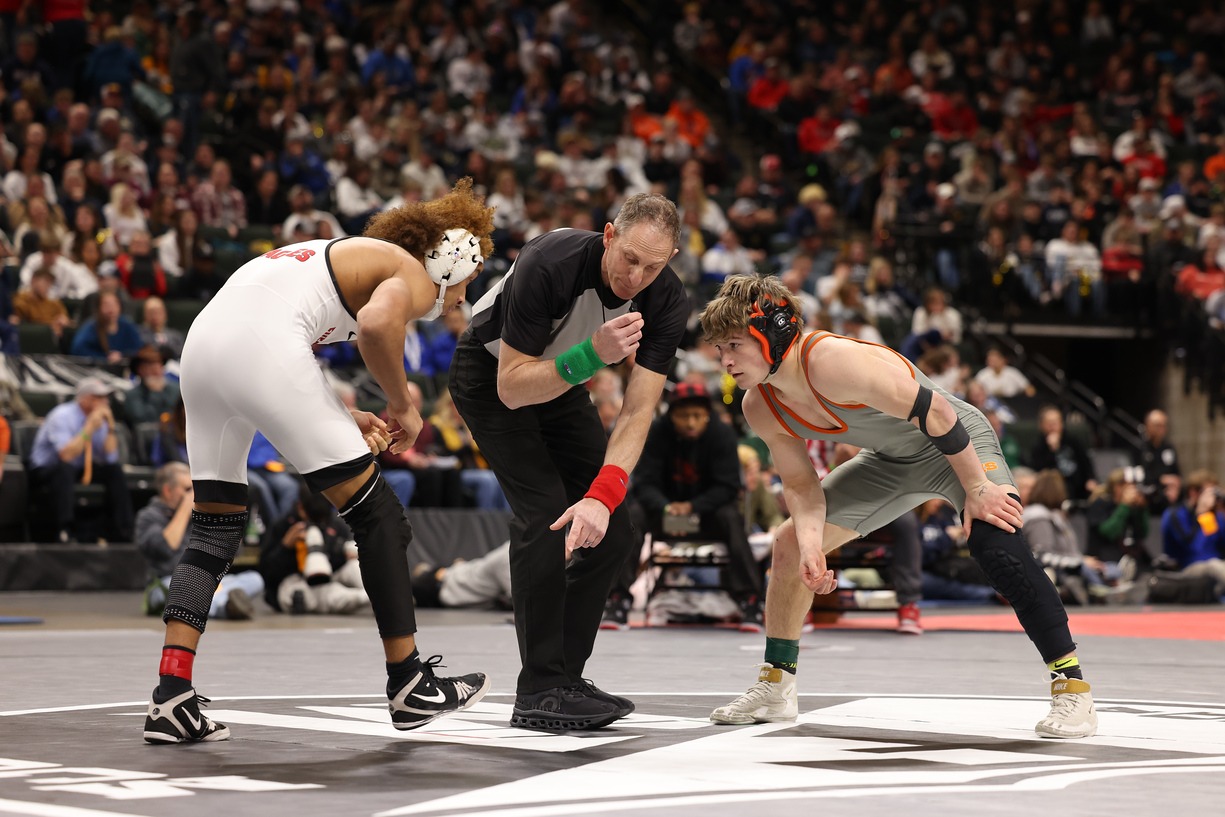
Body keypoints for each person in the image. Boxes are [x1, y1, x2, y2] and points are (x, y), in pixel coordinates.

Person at [142, 178, 495, 745]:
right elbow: (375, 328)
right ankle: (409, 682)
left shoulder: (352, 258)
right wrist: (403, 404)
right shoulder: (410, 271)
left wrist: (340, 413)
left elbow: (275, 341)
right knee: (379, 517)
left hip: (203, 348)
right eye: (469, 279)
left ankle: (171, 697)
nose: (462, 296)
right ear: (451, 258)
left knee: (215, 526)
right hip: (259, 344)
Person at [699, 273, 1096, 739]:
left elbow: (940, 413)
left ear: (772, 332)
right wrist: (811, 548)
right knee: (788, 543)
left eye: (733, 346)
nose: (725, 361)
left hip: (954, 444)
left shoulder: (831, 361)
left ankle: (1073, 688)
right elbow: (802, 486)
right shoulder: (760, 405)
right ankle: (776, 686)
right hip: (890, 461)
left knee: (997, 545)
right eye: (719, 349)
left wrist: (977, 487)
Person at [449, 193, 687, 732]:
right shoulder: (549, 262)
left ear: (670, 259)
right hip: (491, 377)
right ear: (609, 235)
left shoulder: (667, 297)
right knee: (545, 515)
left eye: (653, 267)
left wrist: (603, 495)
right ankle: (538, 690)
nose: (636, 277)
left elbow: (638, 411)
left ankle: (563, 678)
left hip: (563, 386)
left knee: (616, 527)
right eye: (629, 258)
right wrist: (592, 355)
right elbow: (512, 388)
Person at [610, 380, 762, 631]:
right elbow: (644, 483)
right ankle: (618, 599)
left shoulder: (722, 434)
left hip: (706, 515)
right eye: (684, 416)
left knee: (732, 518)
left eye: (697, 416)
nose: (691, 423)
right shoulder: (656, 432)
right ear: (671, 416)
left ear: (707, 415)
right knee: (633, 516)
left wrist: (692, 507)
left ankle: (751, 601)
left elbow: (727, 487)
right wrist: (667, 507)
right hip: (664, 512)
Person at [138, 463, 264, 621]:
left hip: (205, 580)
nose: (193, 495)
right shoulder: (148, 516)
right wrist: (184, 509)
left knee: (255, 579)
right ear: (167, 491)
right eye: (187, 489)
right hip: (168, 582)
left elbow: (231, 554)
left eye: (194, 489)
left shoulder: (198, 514)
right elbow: (164, 547)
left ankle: (222, 599)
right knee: (183, 587)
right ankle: (225, 606)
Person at [27, 377, 134, 543]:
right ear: (85, 399)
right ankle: (65, 530)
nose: (105, 402)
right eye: (99, 397)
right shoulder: (61, 415)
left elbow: (110, 458)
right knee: (64, 469)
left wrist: (111, 427)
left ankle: (124, 531)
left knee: (114, 471)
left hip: (78, 468)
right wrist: (89, 428)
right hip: (46, 469)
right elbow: (66, 455)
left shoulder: (100, 419)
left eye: (106, 398)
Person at [260, 483, 371, 616]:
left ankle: (379, 590)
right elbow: (266, 574)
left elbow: (341, 560)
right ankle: (370, 597)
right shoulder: (282, 526)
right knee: (329, 593)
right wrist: (285, 547)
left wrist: (342, 552)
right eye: (314, 519)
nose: (319, 523)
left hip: (329, 575)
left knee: (354, 566)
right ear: (300, 507)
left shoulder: (334, 522)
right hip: (295, 583)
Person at [1160, 469, 1225, 598]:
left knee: (1215, 564)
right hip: (1186, 567)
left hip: (1215, 564)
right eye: (1209, 493)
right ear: (1193, 492)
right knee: (1214, 565)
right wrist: (1201, 515)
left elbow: (1219, 543)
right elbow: (1193, 548)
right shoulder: (1175, 515)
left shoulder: (1213, 516)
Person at [1135, 408, 1181, 516]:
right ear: (1148, 426)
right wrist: (1161, 479)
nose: (1162, 429)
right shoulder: (1140, 448)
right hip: (1148, 493)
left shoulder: (1168, 448)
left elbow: (1176, 472)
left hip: (1168, 494)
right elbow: (1140, 474)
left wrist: (1175, 486)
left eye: (1164, 425)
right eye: (1158, 425)